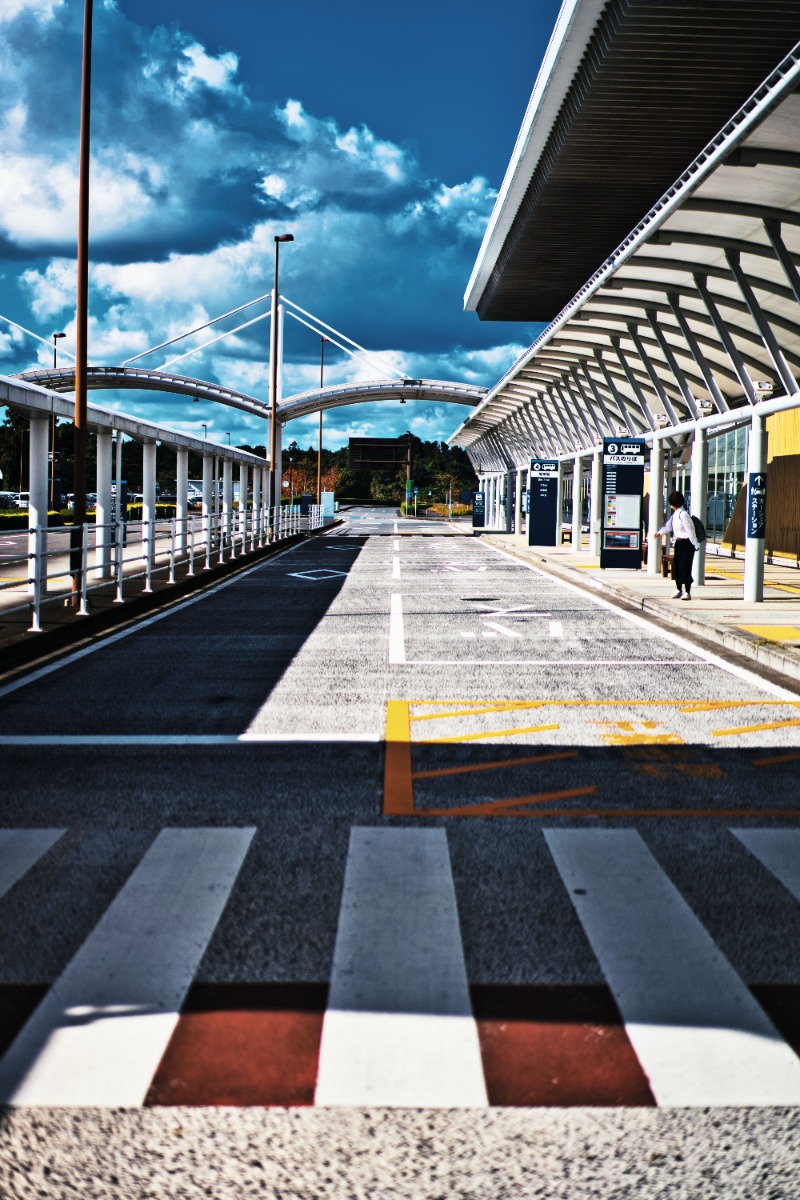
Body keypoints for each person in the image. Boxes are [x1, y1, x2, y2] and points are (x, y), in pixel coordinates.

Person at [653, 490, 699, 600]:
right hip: (678, 543)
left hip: (687, 544)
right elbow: (668, 526)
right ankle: (679, 590)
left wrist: (695, 544)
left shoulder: (683, 515)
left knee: (685, 567)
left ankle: (687, 592)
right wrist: (660, 532)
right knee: (677, 567)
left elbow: (690, 530)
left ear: (672, 503)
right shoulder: (675, 515)